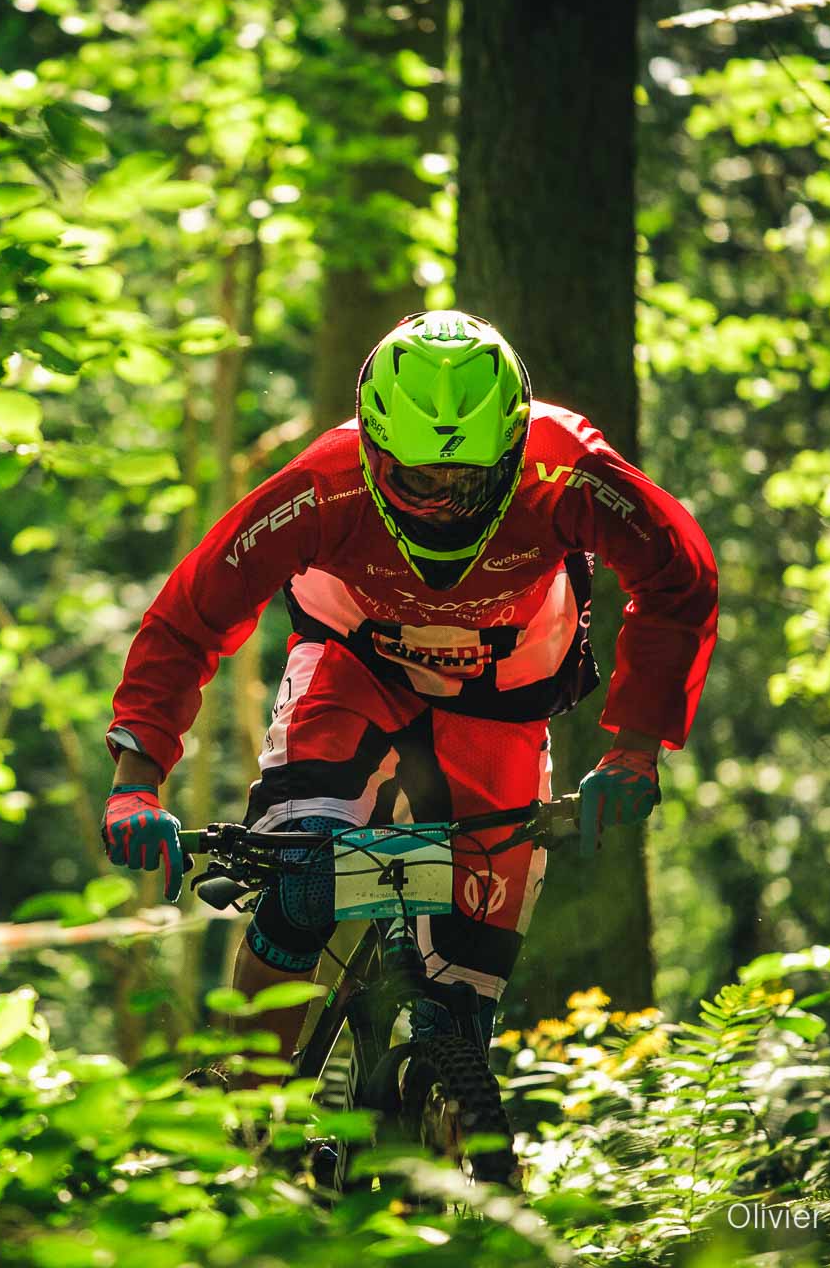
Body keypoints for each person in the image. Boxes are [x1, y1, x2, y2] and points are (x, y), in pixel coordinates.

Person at [99, 310, 718, 1059]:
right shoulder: (323, 484)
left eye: (470, 479)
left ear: (517, 445)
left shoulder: (570, 474)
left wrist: (636, 751)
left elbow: (680, 578)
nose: (446, 500)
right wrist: (137, 783)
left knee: (460, 1000)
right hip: (353, 671)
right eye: (420, 480)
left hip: (504, 700)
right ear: (375, 446)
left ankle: (459, 1142)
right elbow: (190, 614)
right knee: (305, 884)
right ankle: (246, 1114)